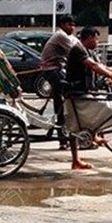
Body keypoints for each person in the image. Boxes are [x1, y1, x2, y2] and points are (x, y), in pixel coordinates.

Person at [63, 27, 112, 170]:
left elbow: (101, 66)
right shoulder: (78, 49)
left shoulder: (88, 51)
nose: (97, 42)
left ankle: (92, 134)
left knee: (102, 107)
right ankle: (77, 158)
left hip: (84, 91)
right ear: (89, 38)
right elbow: (94, 66)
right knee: (104, 108)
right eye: (96, 39)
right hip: (76, 93)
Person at [39, 15, 78, 149]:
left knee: (62, 100)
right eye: (69, 25)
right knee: (62, 101)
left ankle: (63, 133)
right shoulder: (61, 35)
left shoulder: (65, 36)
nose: (72, 28)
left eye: (73, 25)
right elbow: (76, 52)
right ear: (62, 25)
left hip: (55, 69)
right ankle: (62, 136)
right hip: (52, 70)